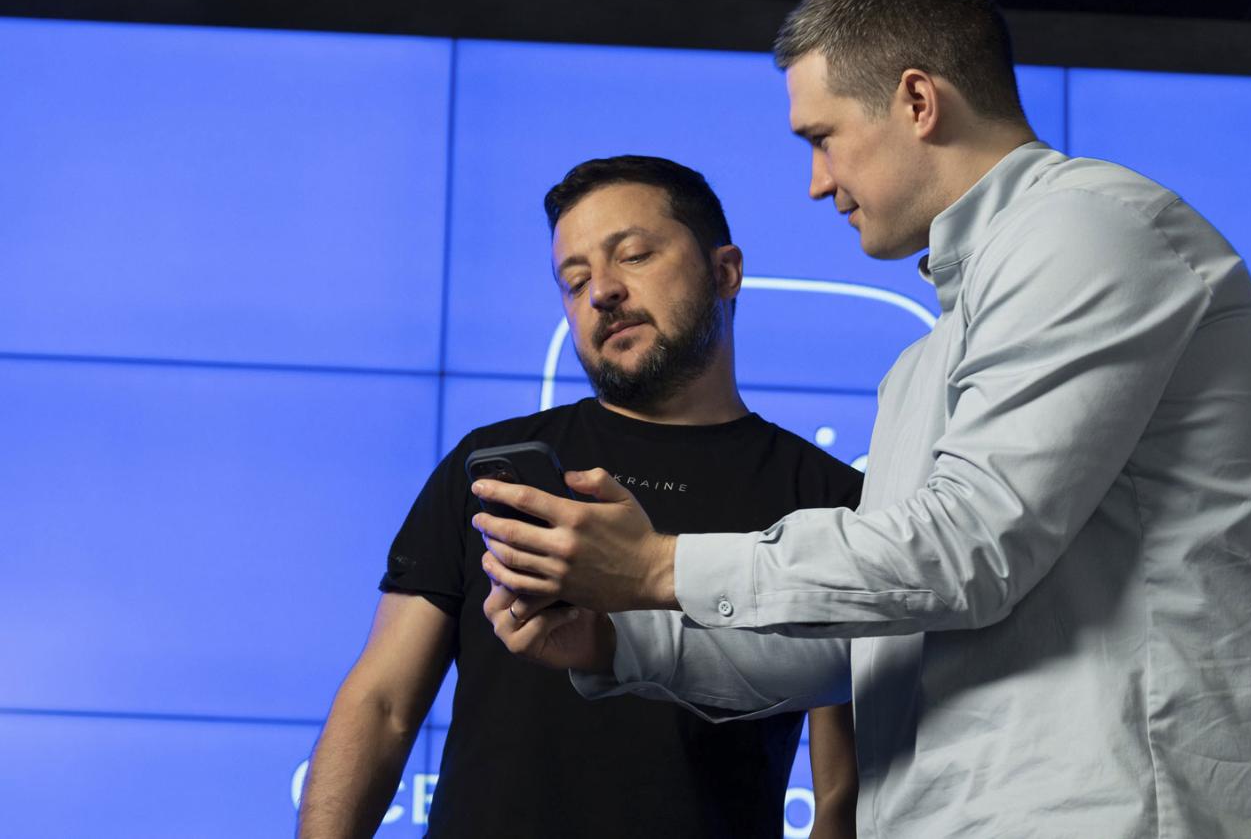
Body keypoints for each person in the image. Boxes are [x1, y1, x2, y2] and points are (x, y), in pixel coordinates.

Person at [473, 0, 1251, 838]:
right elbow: (870, 643)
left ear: (918, 102)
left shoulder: (1091, 229)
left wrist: (660, 566)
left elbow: (967, 548)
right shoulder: (923, 364)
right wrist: (616, 638)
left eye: (822, 138)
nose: (817, 182)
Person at [296, 156, 864, 838]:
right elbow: (381, 704)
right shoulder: (492, 470)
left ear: (726, 272)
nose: (602, 292)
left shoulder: (831, 497)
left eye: (634, 255)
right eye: (575, 280)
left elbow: (842, 794)